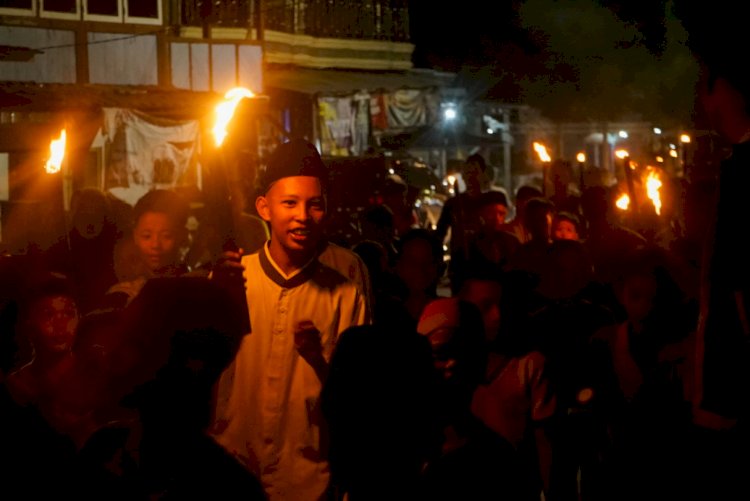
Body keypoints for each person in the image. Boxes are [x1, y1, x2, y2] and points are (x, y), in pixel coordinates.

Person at [210, 138, 370, 501]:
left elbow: (359, 397)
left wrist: (318, 359)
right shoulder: (234, 279)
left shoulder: (345, 294)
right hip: (230, 474)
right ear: (264, 208)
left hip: (308, 481)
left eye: (314, 205)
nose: (302, 215)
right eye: (289, 203)